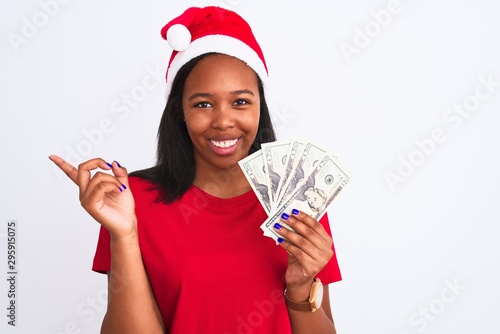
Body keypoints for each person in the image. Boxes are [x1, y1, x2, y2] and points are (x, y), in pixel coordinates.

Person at [50, 6, 342, 334]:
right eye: (203, 103)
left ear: (261, 105)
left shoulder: (299, 201)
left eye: (241, 102)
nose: (223, 121)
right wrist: (125, 234)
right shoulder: (131, 202)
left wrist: (301, 289)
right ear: (180, 111)